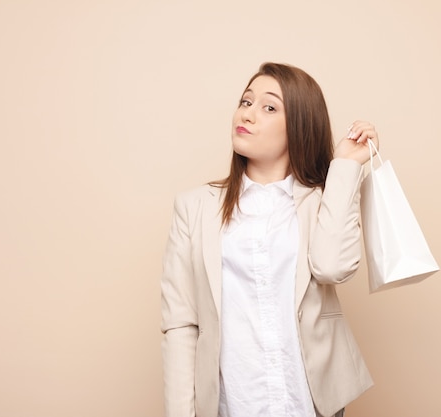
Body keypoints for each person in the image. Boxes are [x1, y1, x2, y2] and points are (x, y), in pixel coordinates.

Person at [161, 62, 377, 417]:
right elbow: (181, 323)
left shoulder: (322, 200)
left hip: (307, 403)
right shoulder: (194, 207)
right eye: (246, 102)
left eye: (269, 107)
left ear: (300, 126)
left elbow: (331, 267)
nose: (248, 114)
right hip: (234, 403)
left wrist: (347, 166)